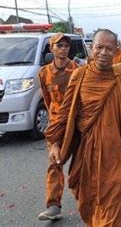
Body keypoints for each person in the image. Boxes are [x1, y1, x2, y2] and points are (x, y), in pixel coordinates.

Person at [45, 29, 121, 226]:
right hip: (87, 152)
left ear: (117, 50)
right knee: (88, 200)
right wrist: (54, 142)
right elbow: (65, 113)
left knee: (115, 203)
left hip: (114, 152)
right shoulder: (79, 75)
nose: (103, 52)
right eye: (99, 47)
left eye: (109, 48)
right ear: (91, 48)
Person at [37, 33, 78, 221]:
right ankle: (53, 205)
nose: (63, 49)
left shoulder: (77, 70)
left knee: (82, 165)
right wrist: (56, 121)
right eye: (59, 45)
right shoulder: (44, 73)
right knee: (55, 163)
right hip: (56, 125)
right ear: (51, 48)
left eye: (66, 46)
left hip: (76, 123)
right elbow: (48, 101)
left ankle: (89, 200)